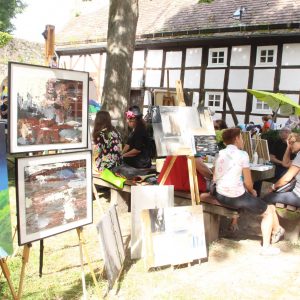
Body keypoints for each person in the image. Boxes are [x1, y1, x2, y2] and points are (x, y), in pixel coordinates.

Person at [214, 128, 284, 255]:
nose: (243, 140)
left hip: (219, 193)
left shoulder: (220, 153)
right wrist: (252, 191)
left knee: (270, 207)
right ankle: (266, 248)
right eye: (241, 137)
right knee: (268, 211)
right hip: (235, 196)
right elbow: (248, 182)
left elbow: (215, 177)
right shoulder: (242, 155)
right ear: (236, 139)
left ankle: (277, 229)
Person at [263, 132, 300, 208]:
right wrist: (288, 148)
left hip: (298, 196)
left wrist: (273, 187)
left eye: (293, 143)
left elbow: (287, 178)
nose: (291, 145)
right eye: (289, 143)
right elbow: (285, 164)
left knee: (267, 198)